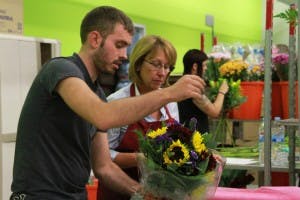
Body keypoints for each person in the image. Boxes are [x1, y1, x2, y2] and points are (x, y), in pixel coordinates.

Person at [10, 6, 206, 200]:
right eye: (119, 45)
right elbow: (102, 116)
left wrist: (147, 194)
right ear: (95, 39)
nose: (124, 55)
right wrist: (169, 93)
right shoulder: (61, 69)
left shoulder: (97, 94)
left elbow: (104, 167)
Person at [98, 35, 179, 200]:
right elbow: (103, 156)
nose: (162, 73)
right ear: (138, 64)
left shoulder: (170, 103)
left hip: (158, 194)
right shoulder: (118, 101)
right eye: (156, 64)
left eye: (167, 66)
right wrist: (140, 159)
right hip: (120, 193)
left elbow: (178, 144)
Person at [178, 49, 228, 134]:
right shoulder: (193, 87)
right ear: (195, 66)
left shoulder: (181, 83)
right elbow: (214, 112)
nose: (205, 69)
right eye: (204, 65)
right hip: (195, 138)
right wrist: (222, 92)